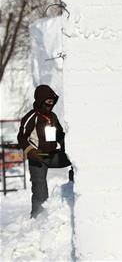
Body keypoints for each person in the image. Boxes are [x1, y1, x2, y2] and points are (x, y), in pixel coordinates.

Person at [17, 85, 71, 218]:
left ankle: (74, 188)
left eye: (52, 102)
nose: (50, 104)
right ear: (41, 100)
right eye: (48, 101)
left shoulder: (52, 117)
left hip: (52, 155)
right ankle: (37, 218)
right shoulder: (32, 117)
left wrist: (65, 145)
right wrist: (30, 152)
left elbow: (59, 134)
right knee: (40, 191)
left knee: (74, 158)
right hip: (37, 158)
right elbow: (21, 137)